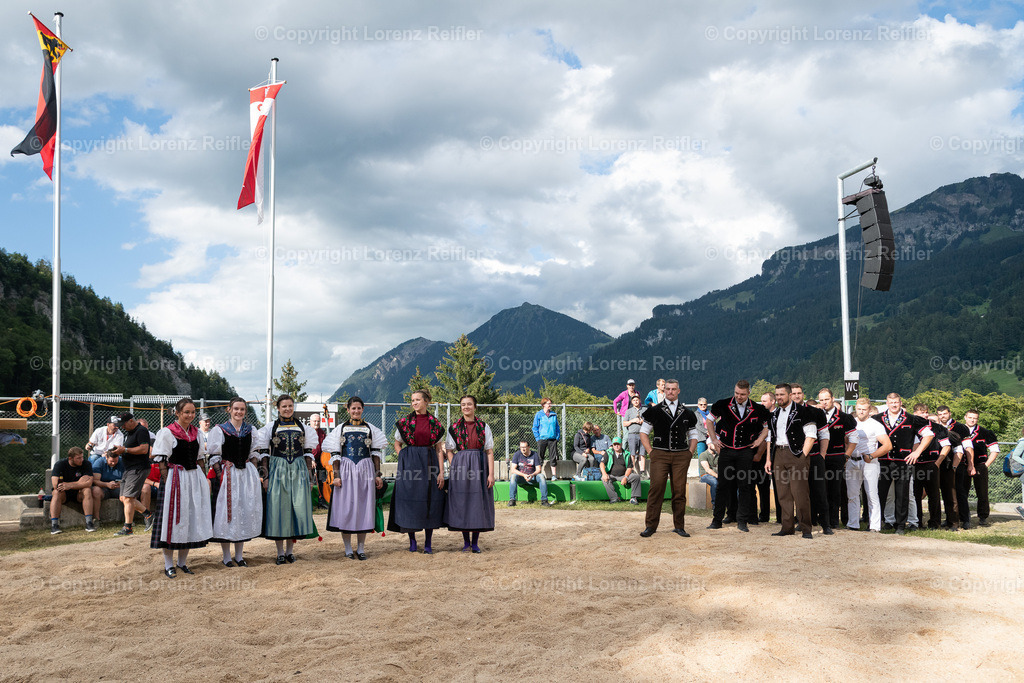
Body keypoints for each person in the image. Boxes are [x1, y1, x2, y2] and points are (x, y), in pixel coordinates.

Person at [150, 398, 213, 578]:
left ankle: (183, 563)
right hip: (174, 479)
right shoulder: (167, 432)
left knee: (189, 519)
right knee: (170, 522)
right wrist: (168, 483)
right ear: (177, 413)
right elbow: (162, 461)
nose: (190, 415)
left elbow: (200, 459)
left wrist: (203, 478)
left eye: (193, 412)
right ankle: (168, 564)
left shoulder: (197, 433)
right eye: (186, 412)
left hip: (193, 479)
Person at [256, 394, 319, 564]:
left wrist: (309, 475)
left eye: (290, 406)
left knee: (295, 509)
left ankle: (290, 551)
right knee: (278, 509)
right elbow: (264, 454)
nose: (287, 409)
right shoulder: (271, 427)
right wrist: (265, 476)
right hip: (278, 469)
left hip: (298, 469)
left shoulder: (302, 427)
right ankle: (279, 553)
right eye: (284, 406)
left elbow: (307, 453)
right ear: (278, 408)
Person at [323, 396, 386, 560]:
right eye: (353, 408)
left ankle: (361, 548)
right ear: (348, 410)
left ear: (362, 409)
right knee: (347, 508)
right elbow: (335, 454)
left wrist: (377, 475)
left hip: (365, 469)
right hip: (346, 469)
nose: (356, 411)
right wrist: (336, 476)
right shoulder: (341, 429)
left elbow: (376, 454)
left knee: (363, 508)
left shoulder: (370, 429)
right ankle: (348, 548)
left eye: (359, 408)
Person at [705, 381, 771, 532]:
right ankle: (717, 520)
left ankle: (742, 521)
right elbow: (709, 420)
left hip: (745, 451)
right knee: (722, 485)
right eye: (736, 393)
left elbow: (767, 427)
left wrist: (759, 440)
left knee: (745, 486)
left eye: (742, 394)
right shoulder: (722, 404)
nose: (739, 397)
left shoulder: (758, 409)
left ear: (748, 393)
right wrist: (714, 439)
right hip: (726, 450)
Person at [387, 389, 446, 554]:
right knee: (410, 500)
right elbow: (397, 444)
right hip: (410, 465)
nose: (414, 403)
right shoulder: (405, 422)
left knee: (430, 501)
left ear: (426, 401)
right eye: (412, 400)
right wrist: (405, 457)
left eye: (417, 400)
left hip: (429, 463)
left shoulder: (435, 423)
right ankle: (412, 541)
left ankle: (428, 543)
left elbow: (439, 450)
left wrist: (441, 473)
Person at [207, 397, 263, 567]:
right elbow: (214, 455)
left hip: (245, 475)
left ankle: (239, 556)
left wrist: (253, 472)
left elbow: (254, 452)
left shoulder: (250, 430)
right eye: (236, 409)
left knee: (243, 512)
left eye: (242, 409)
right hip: (228, 475)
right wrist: (220, 475)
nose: (239, 412)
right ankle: (226, 556)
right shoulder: (220, 430)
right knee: (227, 515)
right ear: (229, 409)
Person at [638, 379, 698, 538]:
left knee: (679, 492)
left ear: (679, 391)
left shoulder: (687, 413)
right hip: (659, 454)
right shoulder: (654, 410)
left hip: (681, 456)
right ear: (664, 391)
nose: (671, 391)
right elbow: (643, 432)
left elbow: (693, 435)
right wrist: (651, 452)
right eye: (668, 389)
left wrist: (689, 453)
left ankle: (679, 526)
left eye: (674, 389)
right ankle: (650, 526)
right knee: (656, 489)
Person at [765, 383, 821, 539]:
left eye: (781, 395)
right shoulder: (774, 414)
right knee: (783, 494)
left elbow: (811, 436)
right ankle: (787, 527)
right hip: (778, 454)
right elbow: (770, 438)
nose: (778, 398)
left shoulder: (803, 411)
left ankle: (806, 529)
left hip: (796, 455)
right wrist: (769, 459)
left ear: (790, 395)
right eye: (776, 395)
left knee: (800, 493)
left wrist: (802, 456)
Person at [872, 393, 933, 535]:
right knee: (881, 493)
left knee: (902, 494)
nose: (894, 405)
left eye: (896, 402)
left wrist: (917, 453)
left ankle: (900, 525)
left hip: (903, 462)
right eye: (891, 402)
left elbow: (928, 435)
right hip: (883, 461)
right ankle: (882, 522)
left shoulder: (912, 419)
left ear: (900, 403)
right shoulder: (877, 418)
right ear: (887, 403)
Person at [444, 395, 496, 553]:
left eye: (469, 404)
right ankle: (466, 542)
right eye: (463, 405)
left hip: (480, 466)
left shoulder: (483, 426)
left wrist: (491, 474)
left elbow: (489, 451)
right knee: (462, 502)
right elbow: (449, 450)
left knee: (477, 503)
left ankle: (475, 543)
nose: (466, 407)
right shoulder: (454, 428)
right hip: (461, 467)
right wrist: (456, 466)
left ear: (475, 406)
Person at [791, 384, 831, 534]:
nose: (796, 396)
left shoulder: (816, 412)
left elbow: (824, 435)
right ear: (789, 395)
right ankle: (803, 523)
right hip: (795, 459)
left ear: (803, 394)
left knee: (820, 492)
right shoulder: (785, 413)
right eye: (793, 393)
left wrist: (822, 454)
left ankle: (825, 525)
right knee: (800, 493)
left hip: (814, 458)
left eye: (799, 393)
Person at [846, 398, 891, 531]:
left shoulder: (875, 425)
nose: (861, 412)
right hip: (852, 460)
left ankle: (875, 526)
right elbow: (846, 440)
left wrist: (872, 456)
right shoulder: (851, 423)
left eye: (864, 409)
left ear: (869, 410)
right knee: (852, 495)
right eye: (859, 409)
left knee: (871, 494)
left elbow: (888, 445)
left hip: (869, 462)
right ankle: (853, 524)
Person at [818, 388, 857, 530]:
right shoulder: (816, 415)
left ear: (833, 399)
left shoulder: (844, 417)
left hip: (836, 457)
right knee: (821, 490)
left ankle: (834, 522)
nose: (824, 402)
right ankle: (822, 520)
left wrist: (846, 455)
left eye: (826, 399)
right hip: (819, 458)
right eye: (821, 400)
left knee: (835, 491)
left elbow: (853, 439)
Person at [109, 413, 154, 537]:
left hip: (138, 468)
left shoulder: (141, 431)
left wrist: (125, 450)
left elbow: (144, 449)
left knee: (128, 498)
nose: (122, 427)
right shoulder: (130, 431)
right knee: (123, 498)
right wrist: (120, 450)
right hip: (129, 469)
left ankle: (127, 527)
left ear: (130, 421)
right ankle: (148, 515)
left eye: (123, 424)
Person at [911, 410, 951, 530]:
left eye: (925, 413)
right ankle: (916, 522)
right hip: (914, 465)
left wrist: (937, 463)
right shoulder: (909, 426)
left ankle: (934, 523)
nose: (924, 416)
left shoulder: (938, 428)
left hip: (931, 464)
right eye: (920, 414)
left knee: (934, 496)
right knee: (915, 495)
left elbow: (946, 446)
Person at [939, 405, 975, 530]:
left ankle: (965, 519)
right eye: (940, 414)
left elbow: (968, 447)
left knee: (959, 492)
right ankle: (950, 518)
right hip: (941, 464)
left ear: (949, 413)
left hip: (957, 464)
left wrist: (971, 465)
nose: (942, 416)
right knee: (945, 493)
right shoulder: (937, 426)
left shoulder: (961, 427)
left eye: (944, 413)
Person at [963, 409, 1000, 527]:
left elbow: (995, 450)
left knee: (982, 492)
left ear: (977, 419)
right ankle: (964, 516)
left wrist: (985, 465)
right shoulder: (958, 430)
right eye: (970, 417)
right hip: (963, 465)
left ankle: (983, 516)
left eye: (975, 418)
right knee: (962, 492)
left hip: (980, 465)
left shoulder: (985, 432)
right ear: (965, 417)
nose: (972, 420)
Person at [50, 447, 95, 534]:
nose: (81, 460)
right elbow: (55, 484)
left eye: (82, 457)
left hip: (78, 493)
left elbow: (89, 483)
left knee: (87, 490)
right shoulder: (60, 464)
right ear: (70, 458)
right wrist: (79, 483)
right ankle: (54, 525)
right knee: (56, 492)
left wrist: (69, 485)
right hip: (64, 493)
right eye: (78, 458)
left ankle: (89, 523)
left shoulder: (86, 464)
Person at [508, 440, 553, 507]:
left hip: (532, 477)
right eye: (521, 447)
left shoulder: (534, 455)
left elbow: (538, 469)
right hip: (521, 478)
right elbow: (513, 469)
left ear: (529, 447)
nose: (523, 449)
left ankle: (544, 500)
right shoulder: (517, 454)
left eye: (524, 447)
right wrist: (523, 475)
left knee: (541, 476)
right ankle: (512, 500)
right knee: (513, 476)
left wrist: (532, 475)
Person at [89, 449, 124, 527]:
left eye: (115, 461)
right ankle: (96, 519)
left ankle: (127, 519)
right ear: (106, 457)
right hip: (103, 487)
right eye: (111, 461)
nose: (113, 463)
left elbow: (128, 478)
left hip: (118, 487)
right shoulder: (99, 462)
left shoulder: (122, 462)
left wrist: (120, 483)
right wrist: (107, 484)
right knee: (95, 490)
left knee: (128, 492)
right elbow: (95, 480)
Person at [601, 437, 641, 504]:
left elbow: (629, 468)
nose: (616, 446)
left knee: (636, 477)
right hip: (611, 475)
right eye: (615, 444)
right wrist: (604, 474)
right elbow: (602, 464)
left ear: (621, 444)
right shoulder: (608, 452)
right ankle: (614, 498)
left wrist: (625, 477)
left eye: (618, 444)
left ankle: (633, 498)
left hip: (623, 475)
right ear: (612, 445)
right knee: (604, 478)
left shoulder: (627, 454)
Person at [531, 398, 561, 480]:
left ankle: (554, 475)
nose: (550, 405)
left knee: (553, 457)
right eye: (548, 403)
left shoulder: (554, 415)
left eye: (550, 403)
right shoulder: (539, 414)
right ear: (544, 404)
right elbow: (535, 427)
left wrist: (557, 437)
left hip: (552, 439)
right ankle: (538, 474)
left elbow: (557, 427)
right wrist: (538, 438)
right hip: (542, 439)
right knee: (540, 457)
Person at [623, 395, 647, 476]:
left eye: (637, 400)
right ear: (632, 402)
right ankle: (632, 470)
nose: (636, 401)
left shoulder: (645, 410)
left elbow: (649, 421)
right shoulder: (628, 411)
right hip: (632, 434)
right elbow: (624, 423)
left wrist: (642, 421)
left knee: (642, 454)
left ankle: (642, 471)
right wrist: (633, 421)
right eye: (634, 400)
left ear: (640, 401)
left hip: (643, 434)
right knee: (632, 454)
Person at [698, 444, 719, 508]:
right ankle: (715, 504)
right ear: (709, 445)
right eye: (714, 444)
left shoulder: (718, 455)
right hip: (705, 475)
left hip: (716, 475)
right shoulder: (703, 455)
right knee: (714, 482)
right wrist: (717, 475)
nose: (717, 446)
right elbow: (707, 469)